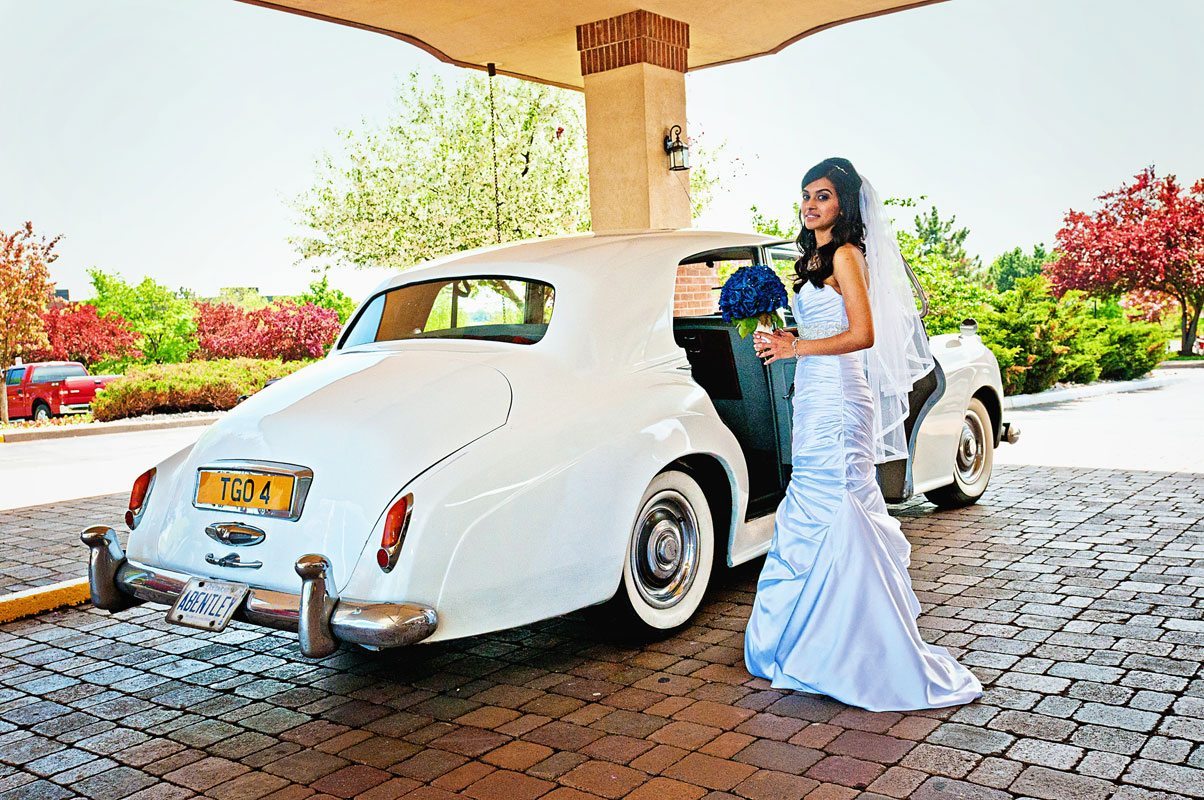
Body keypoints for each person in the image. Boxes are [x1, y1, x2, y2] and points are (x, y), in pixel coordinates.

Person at [743, 157, 982, 711]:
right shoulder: (814, 260)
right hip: (815, 393)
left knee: (835, 498)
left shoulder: (849, 254)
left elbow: (864, 334)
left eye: (822, 195)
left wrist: (794, 347)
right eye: (805, 194)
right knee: (814, 495)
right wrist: (784, 337)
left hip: (842, 395)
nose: (810, 204)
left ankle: (855, 644)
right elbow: (826, 327)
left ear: (844, 204)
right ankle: (812, 634)